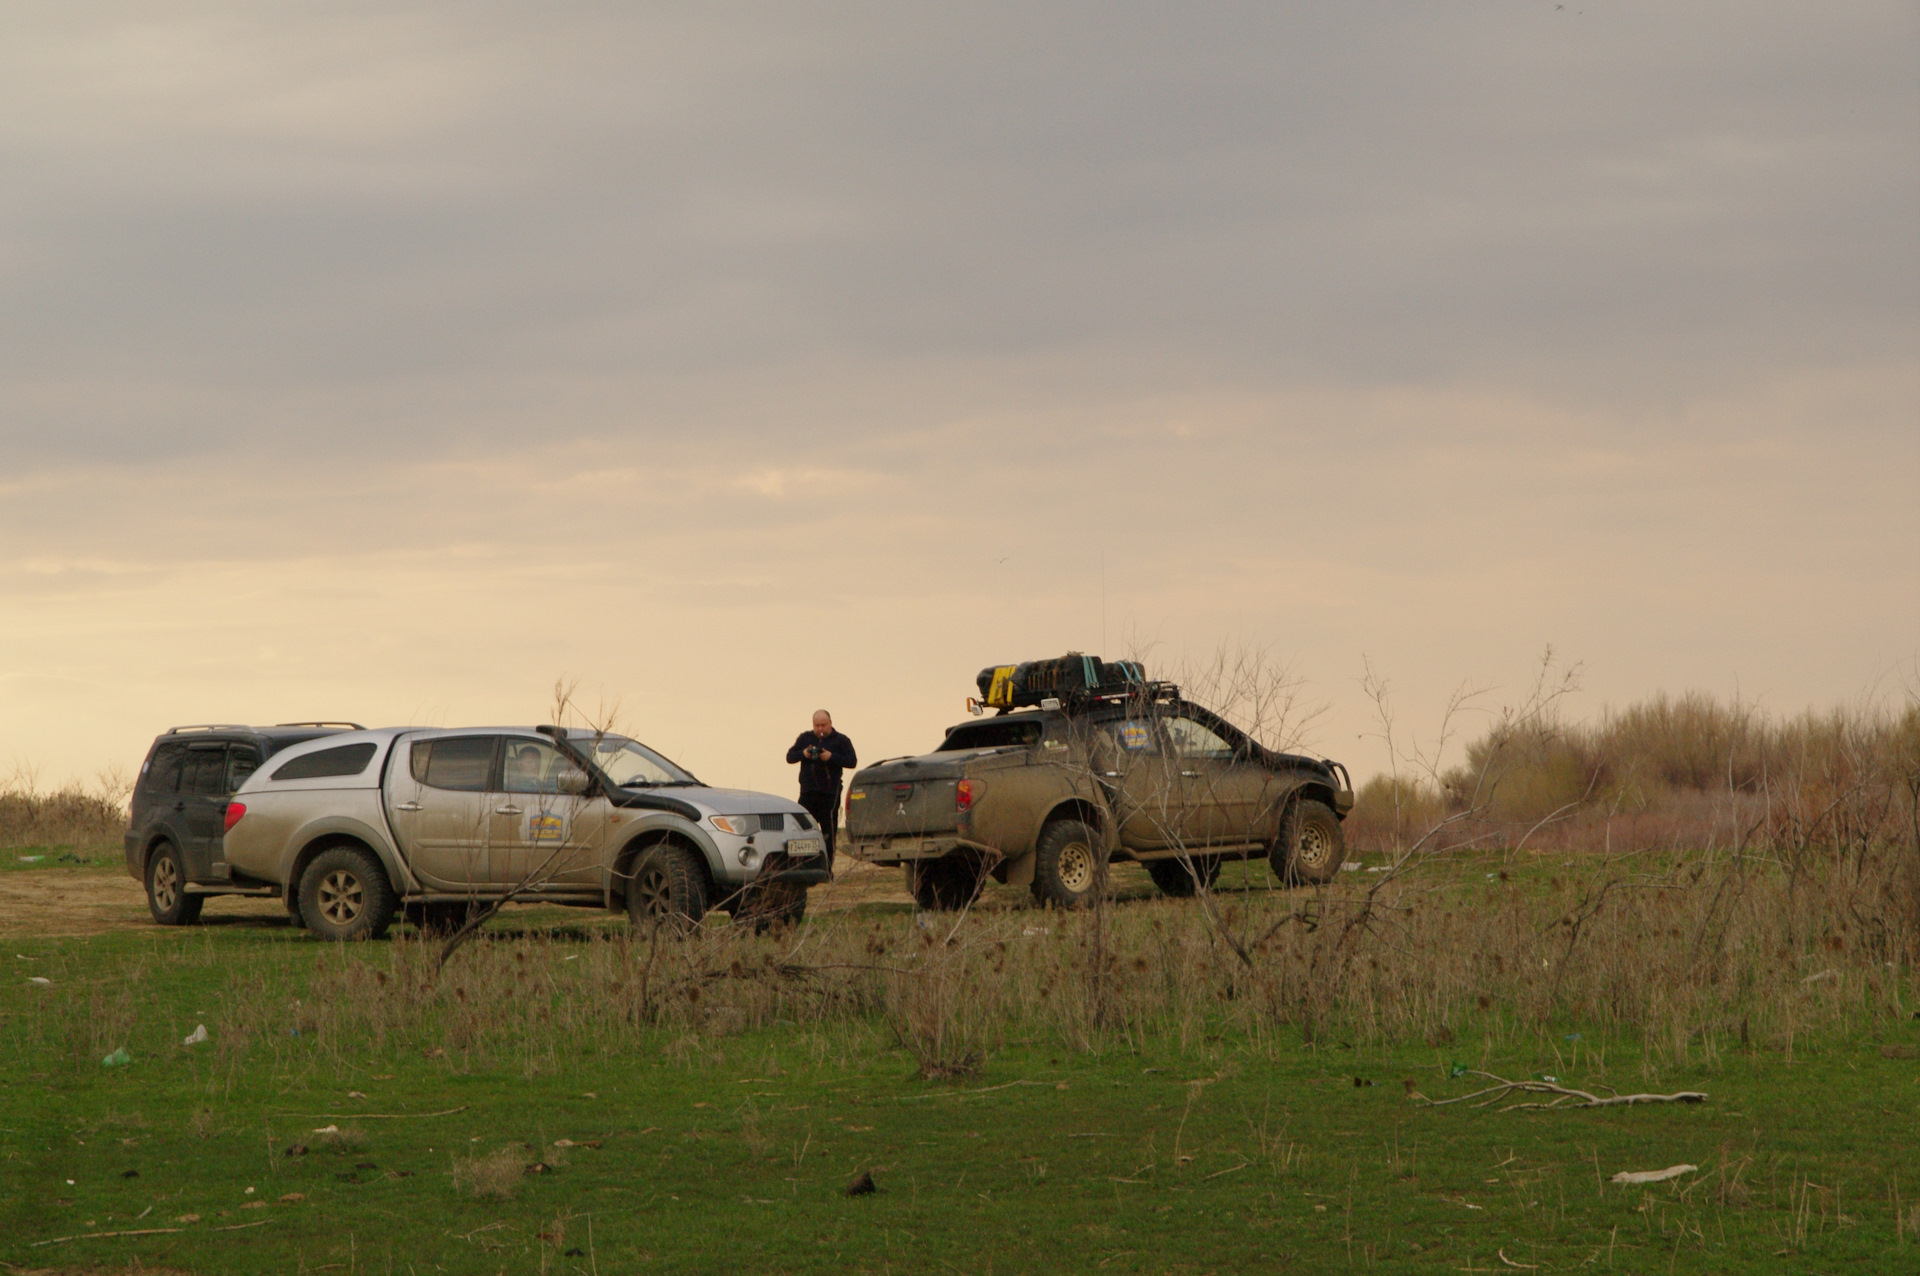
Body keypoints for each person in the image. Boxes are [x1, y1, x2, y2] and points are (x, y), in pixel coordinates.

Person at [786, 710, 856, 869]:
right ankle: (803, 867)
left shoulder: (841, 740)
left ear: (830, 723)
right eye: (817, 725)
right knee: (801, 831)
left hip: (830, 795)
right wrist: (804, 754)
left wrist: (831, 757)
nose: (820, 729)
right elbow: (790, 757)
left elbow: (852, 761)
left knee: (828, 835)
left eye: (823, 725)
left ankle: (826, 869)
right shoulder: (805, 738)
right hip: (807, 794)